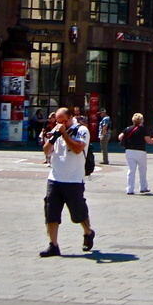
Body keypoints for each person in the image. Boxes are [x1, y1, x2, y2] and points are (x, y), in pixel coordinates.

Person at [40, 107, 95, 256]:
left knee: (78, 213)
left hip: (74, 179)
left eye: (63, 121)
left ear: (71, 117)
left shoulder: (81, 131)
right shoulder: (56, 132)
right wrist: (53, 138)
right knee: (51, 212)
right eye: (58, 122)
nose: (60, 125)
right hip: (55, 178)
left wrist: (64, 135)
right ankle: (53, 245)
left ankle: (88, 232)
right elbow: (46, 151)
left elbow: (78, 149)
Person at [118, 112, 153, 194]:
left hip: (129, 151)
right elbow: (148, 141)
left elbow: (120, 137)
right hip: (140, 151)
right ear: (141, 121)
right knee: (142, 169)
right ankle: (143, 187)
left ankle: (130, 189)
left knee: (131, 170)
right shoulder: (143, 130)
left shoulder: (127, 129)